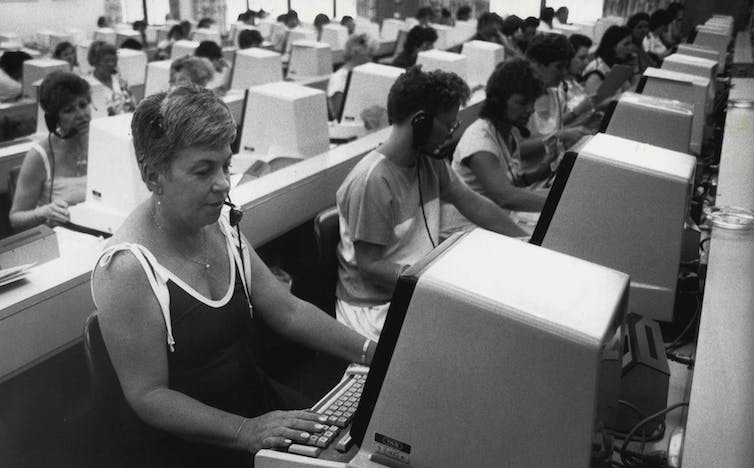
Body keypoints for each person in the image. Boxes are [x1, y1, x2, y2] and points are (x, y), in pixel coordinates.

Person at [91, 84, 377, 466]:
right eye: (203, 170)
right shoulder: (126, 269)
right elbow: (149, 395)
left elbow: (287, 311)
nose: (223, 183)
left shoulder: (221, 225)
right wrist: (245, 430)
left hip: (253, 408)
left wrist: (372, 352)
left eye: (225, 164)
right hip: (191, 444)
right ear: (153, 175)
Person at [335, 66, 526, 341]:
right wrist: (438, 278)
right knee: (482, 335)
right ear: (420, 122)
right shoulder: (373, 181)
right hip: (374, 309)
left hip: (414, 288)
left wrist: (524, 240)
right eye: (449, 125)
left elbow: (473, 204)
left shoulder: (429, 163)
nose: (450, 133)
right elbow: (370, 266)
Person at [443, 58, 548, 239]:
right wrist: (560, 203)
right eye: (522, 103)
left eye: (532, 102)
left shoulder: (508, 132)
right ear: (498, 101)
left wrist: (537, 174)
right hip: (465, 234)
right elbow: (505, 197)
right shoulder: (480, 142)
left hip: (494, 224)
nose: (530, 109)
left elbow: (507, 183)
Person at [9, 72, 90, 231]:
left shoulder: (104, 143)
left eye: (83, 104)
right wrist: (44, 212)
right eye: (69, 110)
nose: (81, 115)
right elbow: (16, 219)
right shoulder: (39, 155)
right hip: (65, 240)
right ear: (53, 119)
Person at [525, 33, 590, 157]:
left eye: (566, 67)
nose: (564, 72)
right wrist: (560, 135)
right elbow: (516, 149)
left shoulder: (556, 94)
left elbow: (558, 136)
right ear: (536, 64)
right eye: (559, 67)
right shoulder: (517, 100)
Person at [328, 34, 373, 119]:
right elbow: (339, 115)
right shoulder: (339, 78)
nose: (371, 60)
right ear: (355, 52)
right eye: (369, 55)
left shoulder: (362, 74)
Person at [583, 25, 634, 95]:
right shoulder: (597, 70)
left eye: (631, 43)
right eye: (626, 44)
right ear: (613, 46)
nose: (631, 48)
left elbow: (629, 92)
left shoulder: (617, 67)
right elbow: (592, 102)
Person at [88, 41, 135, 115]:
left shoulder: (121, 82)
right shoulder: (88, 85)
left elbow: (133, 106)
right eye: (106, 61)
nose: (111, 64)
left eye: (113, 60)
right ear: (96, 62)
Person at [562, 34, 598, 126]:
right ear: (568, 58)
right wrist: (577, 111)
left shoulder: (575, 83)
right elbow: (554, 129)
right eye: (582, 58)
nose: (586, 62)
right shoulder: (558, 88)